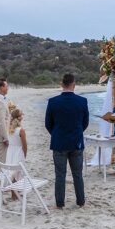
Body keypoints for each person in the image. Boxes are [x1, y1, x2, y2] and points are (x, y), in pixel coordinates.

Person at [45, 73, 89, 208]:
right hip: (76, 142)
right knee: (77, 174)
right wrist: (76, 133)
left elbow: (48, 123)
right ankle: (80, 202)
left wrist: (57, 134)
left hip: (59, 142)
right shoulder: (82, 101)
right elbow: (85, 122)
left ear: (61, 84)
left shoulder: (53, 102)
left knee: (60, 175)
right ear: (73, 84)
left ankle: (60, 203)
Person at [5, 108, 28, 182]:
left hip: (10, 152)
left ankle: (13, 192)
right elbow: (24, 146)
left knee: (12, 172)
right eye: (22, 114)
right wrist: (24, 155)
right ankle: (16, 192)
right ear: (19, 117)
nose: (23, 116)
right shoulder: (21, 130)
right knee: (18, 173)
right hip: (18, 152)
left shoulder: (9, 129)